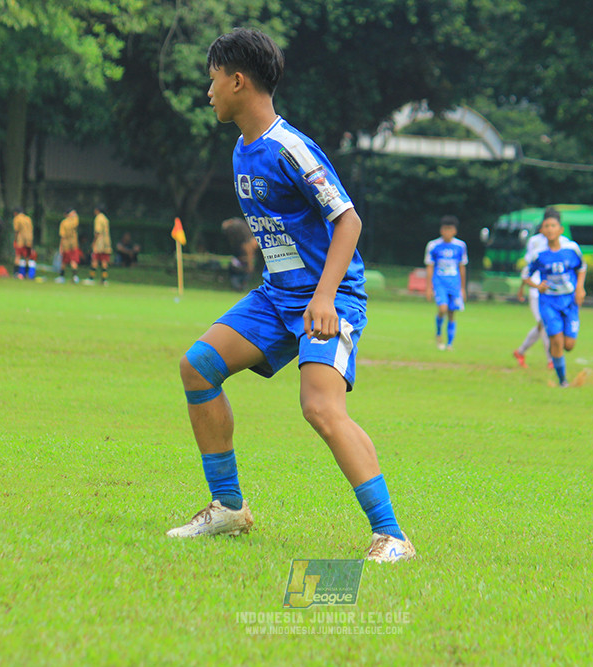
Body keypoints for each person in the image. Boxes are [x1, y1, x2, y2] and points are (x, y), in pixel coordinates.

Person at [167, 28, 414, 563]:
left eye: (212, 80)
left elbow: (348, 220)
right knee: (198, 367)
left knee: (321, 409)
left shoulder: (290, 147)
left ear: (238, 80)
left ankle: (392, 536)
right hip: (277, 297)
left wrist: (323, 299)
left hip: (330, 297)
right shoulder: (241, 148)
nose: (208, 92)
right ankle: (228, 508)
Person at [522, 209, 587, 387]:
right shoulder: (539, 253)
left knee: (569, 345)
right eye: (546, 226)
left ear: (560, 229)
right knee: (557, 341)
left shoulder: (571, 249)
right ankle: (563, 380)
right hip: (549, 303)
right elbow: (526, 275)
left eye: (553, 226)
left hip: (570, 302)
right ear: (542, 231)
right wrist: (537, 286)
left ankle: (557, 355)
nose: (550, 229)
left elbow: (581, 267)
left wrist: (580, 288)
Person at [513, 212, 554, 368]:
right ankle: (551, 360)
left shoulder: (564, 244)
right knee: (544, 324)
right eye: (546, 225)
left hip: (553, 291)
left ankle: (521, 351)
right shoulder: (534, 242)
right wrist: (522, 287)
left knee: (542, 324)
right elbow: (528, 267)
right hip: (535, 289)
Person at [424, 215, 468, 350]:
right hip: (440, 282)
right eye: (445, 229)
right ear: (441, 230)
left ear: (455, 231)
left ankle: (449, 344)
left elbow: (462, 268)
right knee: (442, 308)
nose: (447, 232)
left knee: (452, 313)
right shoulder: (434, 245)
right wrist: (428, 287)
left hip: (454, 284)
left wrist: (463, 288)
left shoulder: (460, 246)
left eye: (450, 229)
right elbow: (430, 267)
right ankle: (438, 333)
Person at [221, 216, 258, 291]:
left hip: (241, 258)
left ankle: (240, 286)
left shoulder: (240, 229)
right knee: (243, 272)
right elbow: (248, 248)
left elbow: (248, 249)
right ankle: (240, 286)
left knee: (242, 273)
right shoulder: (243, 233)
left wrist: (249, 264)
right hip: (241, 257)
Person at [87, 205, 111, 285]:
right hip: (106, 243)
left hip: (99, 243)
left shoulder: (98, 218)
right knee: (104, 261)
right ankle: (104, 280)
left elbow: (98, 231)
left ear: (97, 210)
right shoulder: (105, 218)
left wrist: (93, 242)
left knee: (95, 260)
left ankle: (91, 278)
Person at [56, 208, 80, 283]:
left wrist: (60, 247)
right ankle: (75, 277)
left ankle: (61, 277)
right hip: (74, 244)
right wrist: (74, 214)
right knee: (73, 261)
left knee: (64, 262)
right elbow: (76, 217)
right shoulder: (74, 221)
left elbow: (62, 236)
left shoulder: (64, 223)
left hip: (66, 245)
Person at [12, 208, 37, 279]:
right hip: (29, 241)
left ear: (16, 213)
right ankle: (26, 274)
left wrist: (15, 240)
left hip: (21, 240)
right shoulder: (28, 219)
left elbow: (16, 230)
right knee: (27, 257)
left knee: (18, 256)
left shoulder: (17, 219)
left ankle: (16, 273)